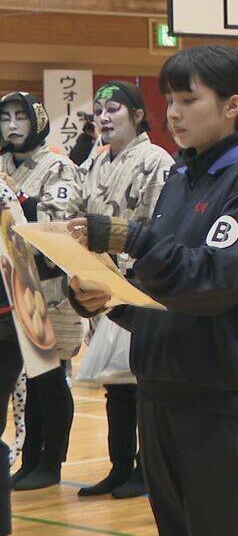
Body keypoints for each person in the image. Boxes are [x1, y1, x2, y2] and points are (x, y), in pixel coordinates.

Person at [67, 44, 238, 535]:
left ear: (232, 105)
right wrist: (110, 298)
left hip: (219, 398)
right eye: (169, 100)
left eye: (188, 100)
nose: (173, 113)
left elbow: (215, 282)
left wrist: (132, 236)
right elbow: (165, 292)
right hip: (160, 390)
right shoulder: (181, 176)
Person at [75, 81, 173, 499]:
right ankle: (118, 466)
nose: (103, 116)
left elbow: (161, 225)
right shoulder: (97, 161)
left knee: (141, 380)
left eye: (113, 108)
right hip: (104, 283)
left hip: (137, 283)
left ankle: (145, 469)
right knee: (115, 385)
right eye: (98, 109)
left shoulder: (157, 160)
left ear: (136, 115)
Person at [0, 91, 84, 491]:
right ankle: (30, 457)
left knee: (50, 379)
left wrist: (17, 199)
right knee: (26, 383)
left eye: (20, 117)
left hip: (50, 289)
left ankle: (52, 461)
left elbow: (60, 224)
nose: (12, 125)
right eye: (5, 118)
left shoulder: (58, 167)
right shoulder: (1, 164)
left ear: (36, 120)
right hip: (9, 290)